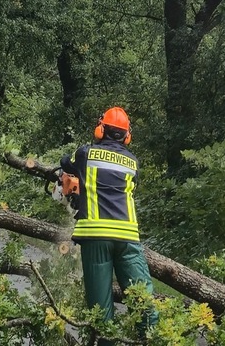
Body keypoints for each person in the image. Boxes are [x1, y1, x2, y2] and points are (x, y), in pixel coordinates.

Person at [60, 106, 158, 344]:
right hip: (127, 238)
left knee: (101, 311)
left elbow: (65, 162)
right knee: (143, 303)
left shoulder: (85, 153)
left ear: (100, 129)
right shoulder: (133, 162)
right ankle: (154, 340)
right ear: (127, 136)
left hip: (95, 237)